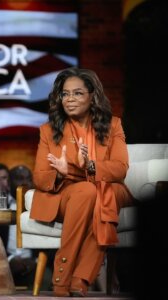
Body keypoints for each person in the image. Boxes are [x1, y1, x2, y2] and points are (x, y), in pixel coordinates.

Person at [29, 67, 134, 297]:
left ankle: (73, 279)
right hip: (66, 193)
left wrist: (89, 165)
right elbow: (39, 176)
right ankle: (70, 279)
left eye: (77, 93)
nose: (69, 99)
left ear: (92, 95)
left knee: (103, 193)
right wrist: (60, 172)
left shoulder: (113, 125)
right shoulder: (49, 131)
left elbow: (120, 169)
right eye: (65, 94)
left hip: (108, 186)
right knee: (88, 192)